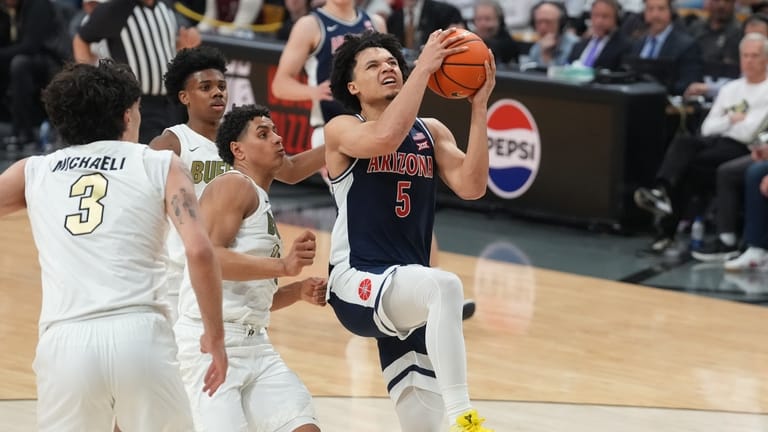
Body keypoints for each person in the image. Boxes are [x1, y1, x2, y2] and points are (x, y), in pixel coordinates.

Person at [0, 59, 227, 431]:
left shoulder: (33, 170)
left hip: (64, 342)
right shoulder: (159, 163)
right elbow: (200, 251)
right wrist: (215, 338)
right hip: (140, 335)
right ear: (126, 115)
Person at [324, 30, 496, 431]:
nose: (387, 68)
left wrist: (479, 107)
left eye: (391, 63)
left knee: (422, 423)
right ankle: (466, 418)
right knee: (446, 286)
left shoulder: (431, 132)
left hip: (407, 291)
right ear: (353, 86)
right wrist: (423, 68)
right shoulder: (342, 128)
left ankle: (447, 418)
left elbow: (472, 186)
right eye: (373, 65)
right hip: (358, 282)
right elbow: (384, 138)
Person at [174, 104, 326, 431]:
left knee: (304, 427)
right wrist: (284, 265)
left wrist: (296, 291)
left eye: (274, 130)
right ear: (237, 150)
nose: (277, 137)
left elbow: (250, 294)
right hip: (209, 344)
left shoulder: (258, 197)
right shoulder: (234, 185)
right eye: (263, 133)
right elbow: (209, 260)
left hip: (256, 343)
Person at [151, 45, 326, 321]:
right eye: (205, 87)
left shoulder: (243, 144)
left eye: (221, 85)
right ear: (184, 96)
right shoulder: (171, 143)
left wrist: (339, 144)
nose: (217, 92)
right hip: (177, 277)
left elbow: (291, 171)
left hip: (226, 271)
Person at [634, 32, 768, 253]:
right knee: (684, 142)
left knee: (688, 167)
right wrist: (730, 119)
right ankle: (662, 191)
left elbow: (748, 132)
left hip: (743, 148)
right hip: (715, 142)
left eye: (755, 56)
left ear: (765, 59)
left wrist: (725, 122)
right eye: (745, 55)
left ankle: (666, 227)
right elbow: (708, 127)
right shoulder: (730, 88)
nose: (749, 61)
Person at [75, 0, 202, 144]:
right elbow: (81, 39)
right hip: (137, 104)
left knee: (171, 158)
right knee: (147, 159)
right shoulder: (116, 8)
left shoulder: (166, 6)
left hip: (169, 103)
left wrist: (184, 45)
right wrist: (88, 82)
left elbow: (164, 48)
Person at [272, 0, 386, 151]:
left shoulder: (376, 23)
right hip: (331, 129)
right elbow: (280, 85)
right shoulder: (309, 25)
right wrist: (315, 92)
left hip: (373, 127)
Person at [624, 0, 702, 95]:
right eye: (650, 9)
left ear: (671, 12)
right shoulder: (637, 44)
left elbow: (688, 83)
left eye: (661, 9)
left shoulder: (686, 45)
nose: (655, 15)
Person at [567, 0, 631, 71]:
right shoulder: (578, 46)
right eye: (595, 15)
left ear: (616, 19)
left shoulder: (625, 47)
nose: (599, 21)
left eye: (605, 16)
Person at [527, 1, 579, 68]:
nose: (543, 27)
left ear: (561, 24)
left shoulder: (575, 46)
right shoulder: (536, 47)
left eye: (548, 22)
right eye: (539, 22)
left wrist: (546, 55)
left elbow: (563, 77)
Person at [471, 0, 519, 66]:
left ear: (499, 20)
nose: (482, 24)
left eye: (487, 19)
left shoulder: (508, 45)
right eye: (478, 19)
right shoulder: (469, 41)